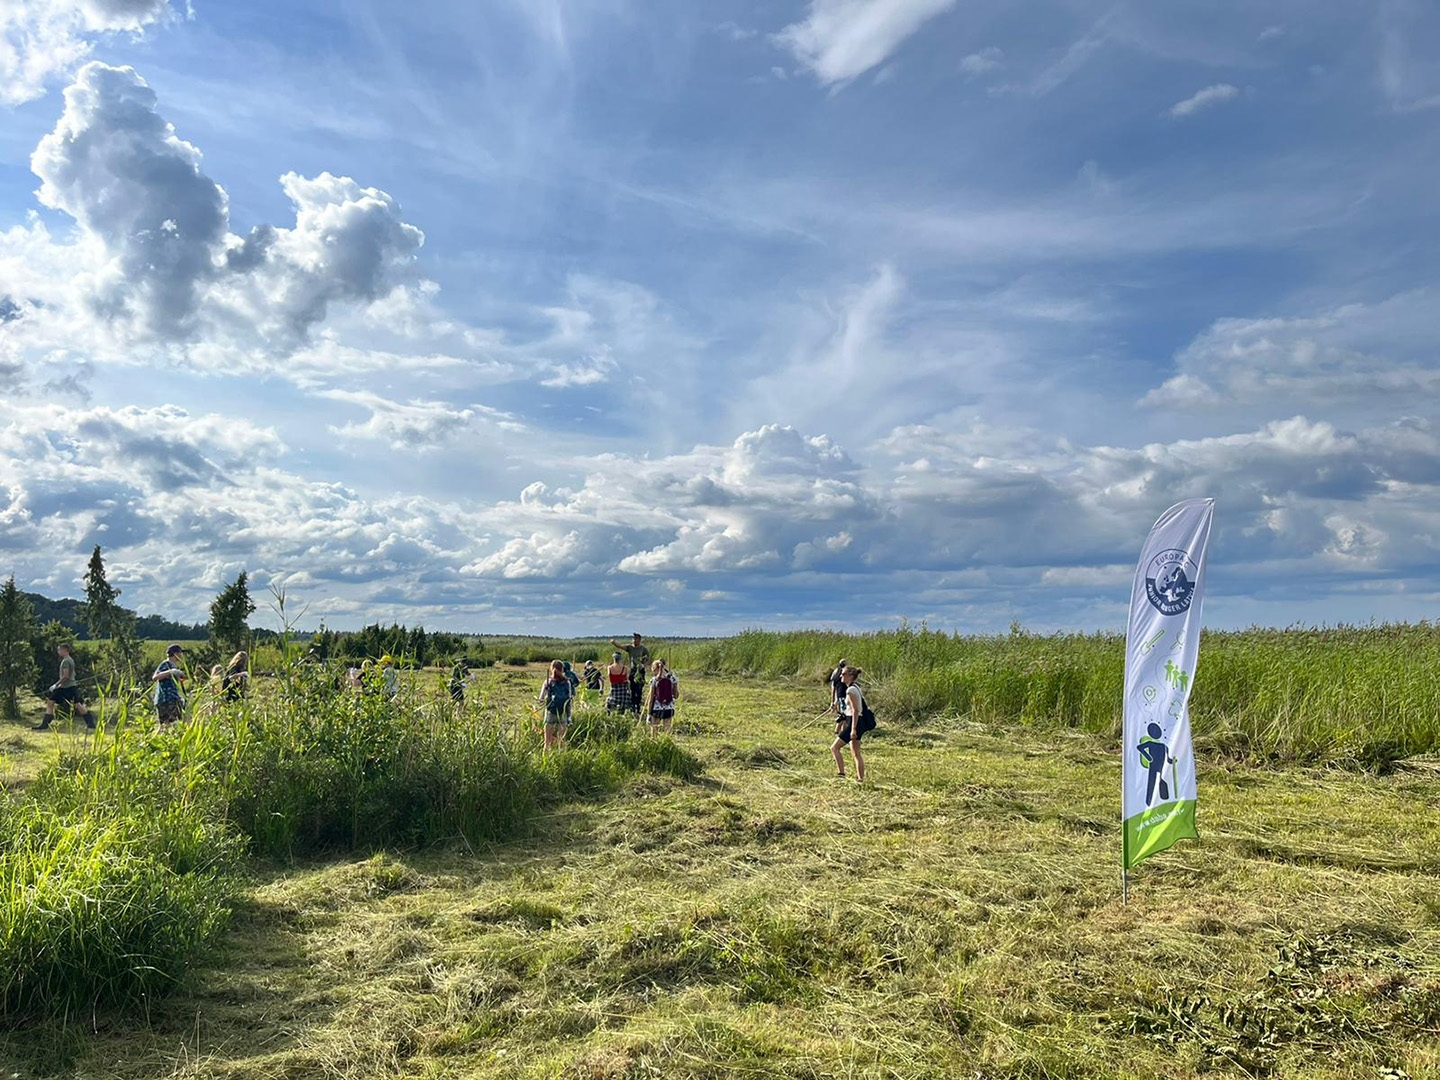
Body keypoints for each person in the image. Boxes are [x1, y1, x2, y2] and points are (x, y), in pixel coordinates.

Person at [35, 642, 94, 731]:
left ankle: (91, 724)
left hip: (67, 687)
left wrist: (56, 685)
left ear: (65, 650)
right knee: (51, 702)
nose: (58, 652)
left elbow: (66, 676)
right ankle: (44, 725)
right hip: (66, 686)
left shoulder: (66, 661)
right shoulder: (70, 659)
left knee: (77, 705)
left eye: (59, 650)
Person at [831, 666, 871, 783]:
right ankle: (860, 779)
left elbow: (855, 711)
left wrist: (853, 729)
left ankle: (841, 774)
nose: (840, 676)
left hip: (854, 722)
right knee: (856, 752)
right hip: (856, 721)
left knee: (834, 748)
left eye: (843, 674)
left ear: (850, 676)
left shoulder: (851, 691)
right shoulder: (856, 687)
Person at [610, 632, 650, 715]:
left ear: (639, 640)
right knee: (632, 689)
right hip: (633, 670)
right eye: (633, 639)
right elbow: (621, 646)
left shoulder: (643, 649)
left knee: (639, 689)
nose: (634, 640)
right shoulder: (630, 648)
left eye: (636, 639)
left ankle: (638, 707)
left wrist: (643, 665)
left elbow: (647, 658)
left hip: (640, 671)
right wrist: (614, 642)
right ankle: (632, 707)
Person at [537, 659, 573, 750]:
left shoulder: (548, 682)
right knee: (562, 742)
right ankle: (563, 761)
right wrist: (569, 716)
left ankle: (545, 762)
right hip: (563, 712)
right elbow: (569, 699)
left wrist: (542, 700)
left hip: (550, 712)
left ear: (552, 668)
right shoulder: (567, 682)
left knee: (547, 743)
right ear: (562, 669)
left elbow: (541, 699)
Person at [152, 644, 188, 726]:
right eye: (180, 653)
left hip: (172, 699)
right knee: (169, 725)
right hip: (166, 700)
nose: (181, 655)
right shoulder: (166, 664)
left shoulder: (172, 665)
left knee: (172, 724)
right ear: (175, 654)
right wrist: (172, 671)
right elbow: (155, 677)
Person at [644, 659, 679, 735]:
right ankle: (667, 743)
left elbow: (651, 699)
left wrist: (649, 713)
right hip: (669, 707)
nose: (653, 673)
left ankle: (654, 745)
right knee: (668, 728)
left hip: (657, 708)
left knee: (654, 729)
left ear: (656, 669)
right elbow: (676, 695)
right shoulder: (672, 678)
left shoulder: (654, 680)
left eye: (653, 671)